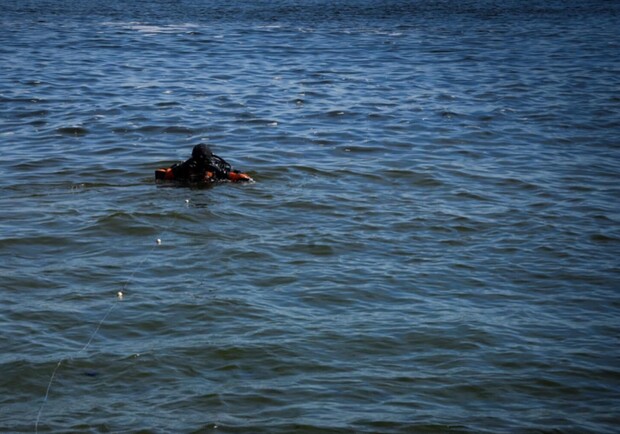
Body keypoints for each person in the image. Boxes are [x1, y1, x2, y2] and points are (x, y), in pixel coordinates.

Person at [155, 144, 252, 183]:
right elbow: (159, 174)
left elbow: (245, 179)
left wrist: (221, 172)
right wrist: (181, 168)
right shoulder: (186, 167)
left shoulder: (216, 168)